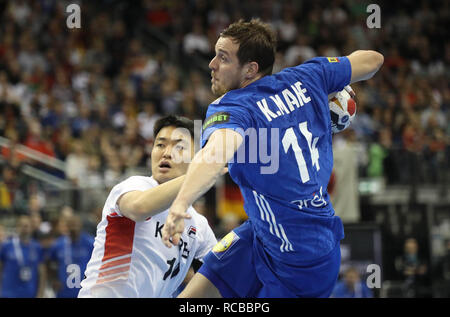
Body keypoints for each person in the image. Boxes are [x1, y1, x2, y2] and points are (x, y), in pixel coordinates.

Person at [162, 19, 383, 298]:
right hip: (260, 234)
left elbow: (215, 153)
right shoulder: (309, 76)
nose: (212, 64)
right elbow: (374, 59)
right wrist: (333, 83)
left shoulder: (235, 107)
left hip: (302, 259)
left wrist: (180, 205)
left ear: (250, 70)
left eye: (223, 57)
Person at [78, 115, 217, 297]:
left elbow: (218, 277)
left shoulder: (199, 225)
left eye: (179, 147)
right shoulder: (134, 186)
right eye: (160, 145)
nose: (166, 153)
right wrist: (198, 175)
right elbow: (139, 207)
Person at [47, 214, 94, 298]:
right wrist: (53, 279)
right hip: (64, 292)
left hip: (85, 291)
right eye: (71, 225)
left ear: (80, 226)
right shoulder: (59, 244)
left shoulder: (90, 243)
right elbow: (49, 261)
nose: (74, 228)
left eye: (76, 225)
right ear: (67, 227)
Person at [0, 215, 46, 297]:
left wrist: (40, 294)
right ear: (17, 227)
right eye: (22, 225)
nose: (25, 228)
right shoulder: (7, 246)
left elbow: (42, 273)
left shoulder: (37, 247)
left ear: (31, 228)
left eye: (27, 226)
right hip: (9, 294)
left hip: (29, 294)